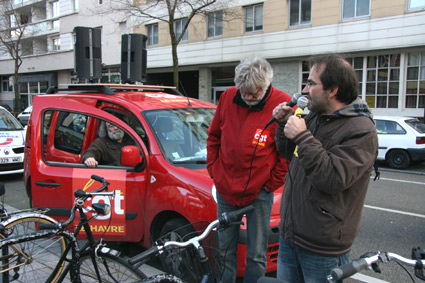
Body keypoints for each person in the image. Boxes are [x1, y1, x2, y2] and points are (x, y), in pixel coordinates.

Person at [272, 53, 378, 282]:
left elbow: (332, 179)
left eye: (311, 83)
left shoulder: (360, 130)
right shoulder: (316, 117)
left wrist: (303, 136)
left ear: (333, 90)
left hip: (322, 247)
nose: (304, 89)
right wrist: (284, 125)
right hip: (290, 235)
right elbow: (288, 152)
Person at [207, 56, 291, 283]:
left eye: (254, 92)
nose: (248, 97)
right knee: (224, 250)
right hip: (226, 190)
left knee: (256, 254)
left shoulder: (282, 104)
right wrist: (214, 170)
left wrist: (271, 184)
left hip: (258, 193)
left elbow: (286, 152)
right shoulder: (227, 98)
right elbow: (214, 136)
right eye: (243, 91)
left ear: (266, 86)